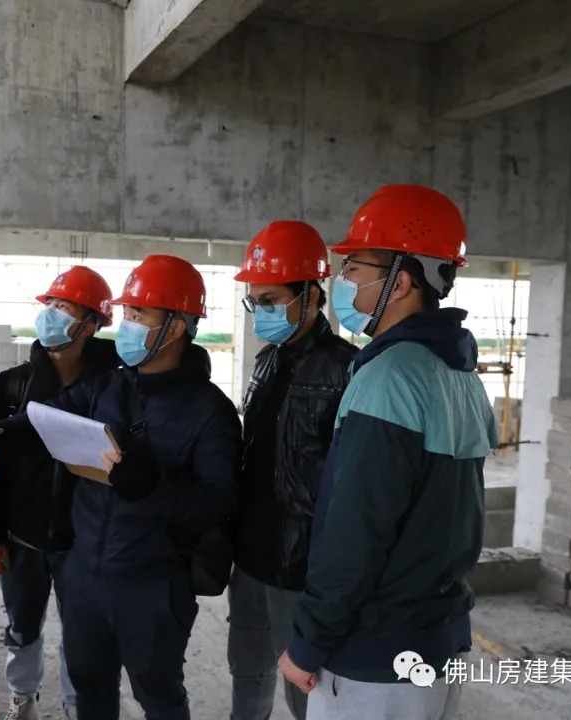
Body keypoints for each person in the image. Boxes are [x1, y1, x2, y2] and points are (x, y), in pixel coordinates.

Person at [0, 255, 242, 720]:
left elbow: (218, 500)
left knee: (159, 697)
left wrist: (153, 486)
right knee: (89, 692)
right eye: (126, 313)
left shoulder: (211, 411)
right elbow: (45, 419)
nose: (126, 324)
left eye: (138, 314)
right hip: (85, 576)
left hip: (152, 585)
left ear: (175, 328)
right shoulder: (107, 387)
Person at [277, 185, 498, 720]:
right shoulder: (460, 374)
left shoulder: (390, 377)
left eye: (355, 267)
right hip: (436, 637)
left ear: (399, 282)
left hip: (375, 653)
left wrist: (309, 640)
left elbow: (357, 529)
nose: (343, 279)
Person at [227, 221, 356, 720]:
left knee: (306, 690)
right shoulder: (266, 362)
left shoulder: (348, 369)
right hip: (251, 559)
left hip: (302, 568)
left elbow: (351, 483)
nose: (261, 312)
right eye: (254, 302)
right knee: (248, 672)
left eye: (271, 300)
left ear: (312, 295)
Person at [0, 266, 120, 720]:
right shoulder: (13, 383)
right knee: (22, 626)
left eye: (66, 308)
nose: (51, 315)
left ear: (91, 324)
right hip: (23, 536)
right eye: (51, 305)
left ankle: (76, 704)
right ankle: (22, 697)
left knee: (83, 631)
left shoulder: (114, 385)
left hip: (85, 540)